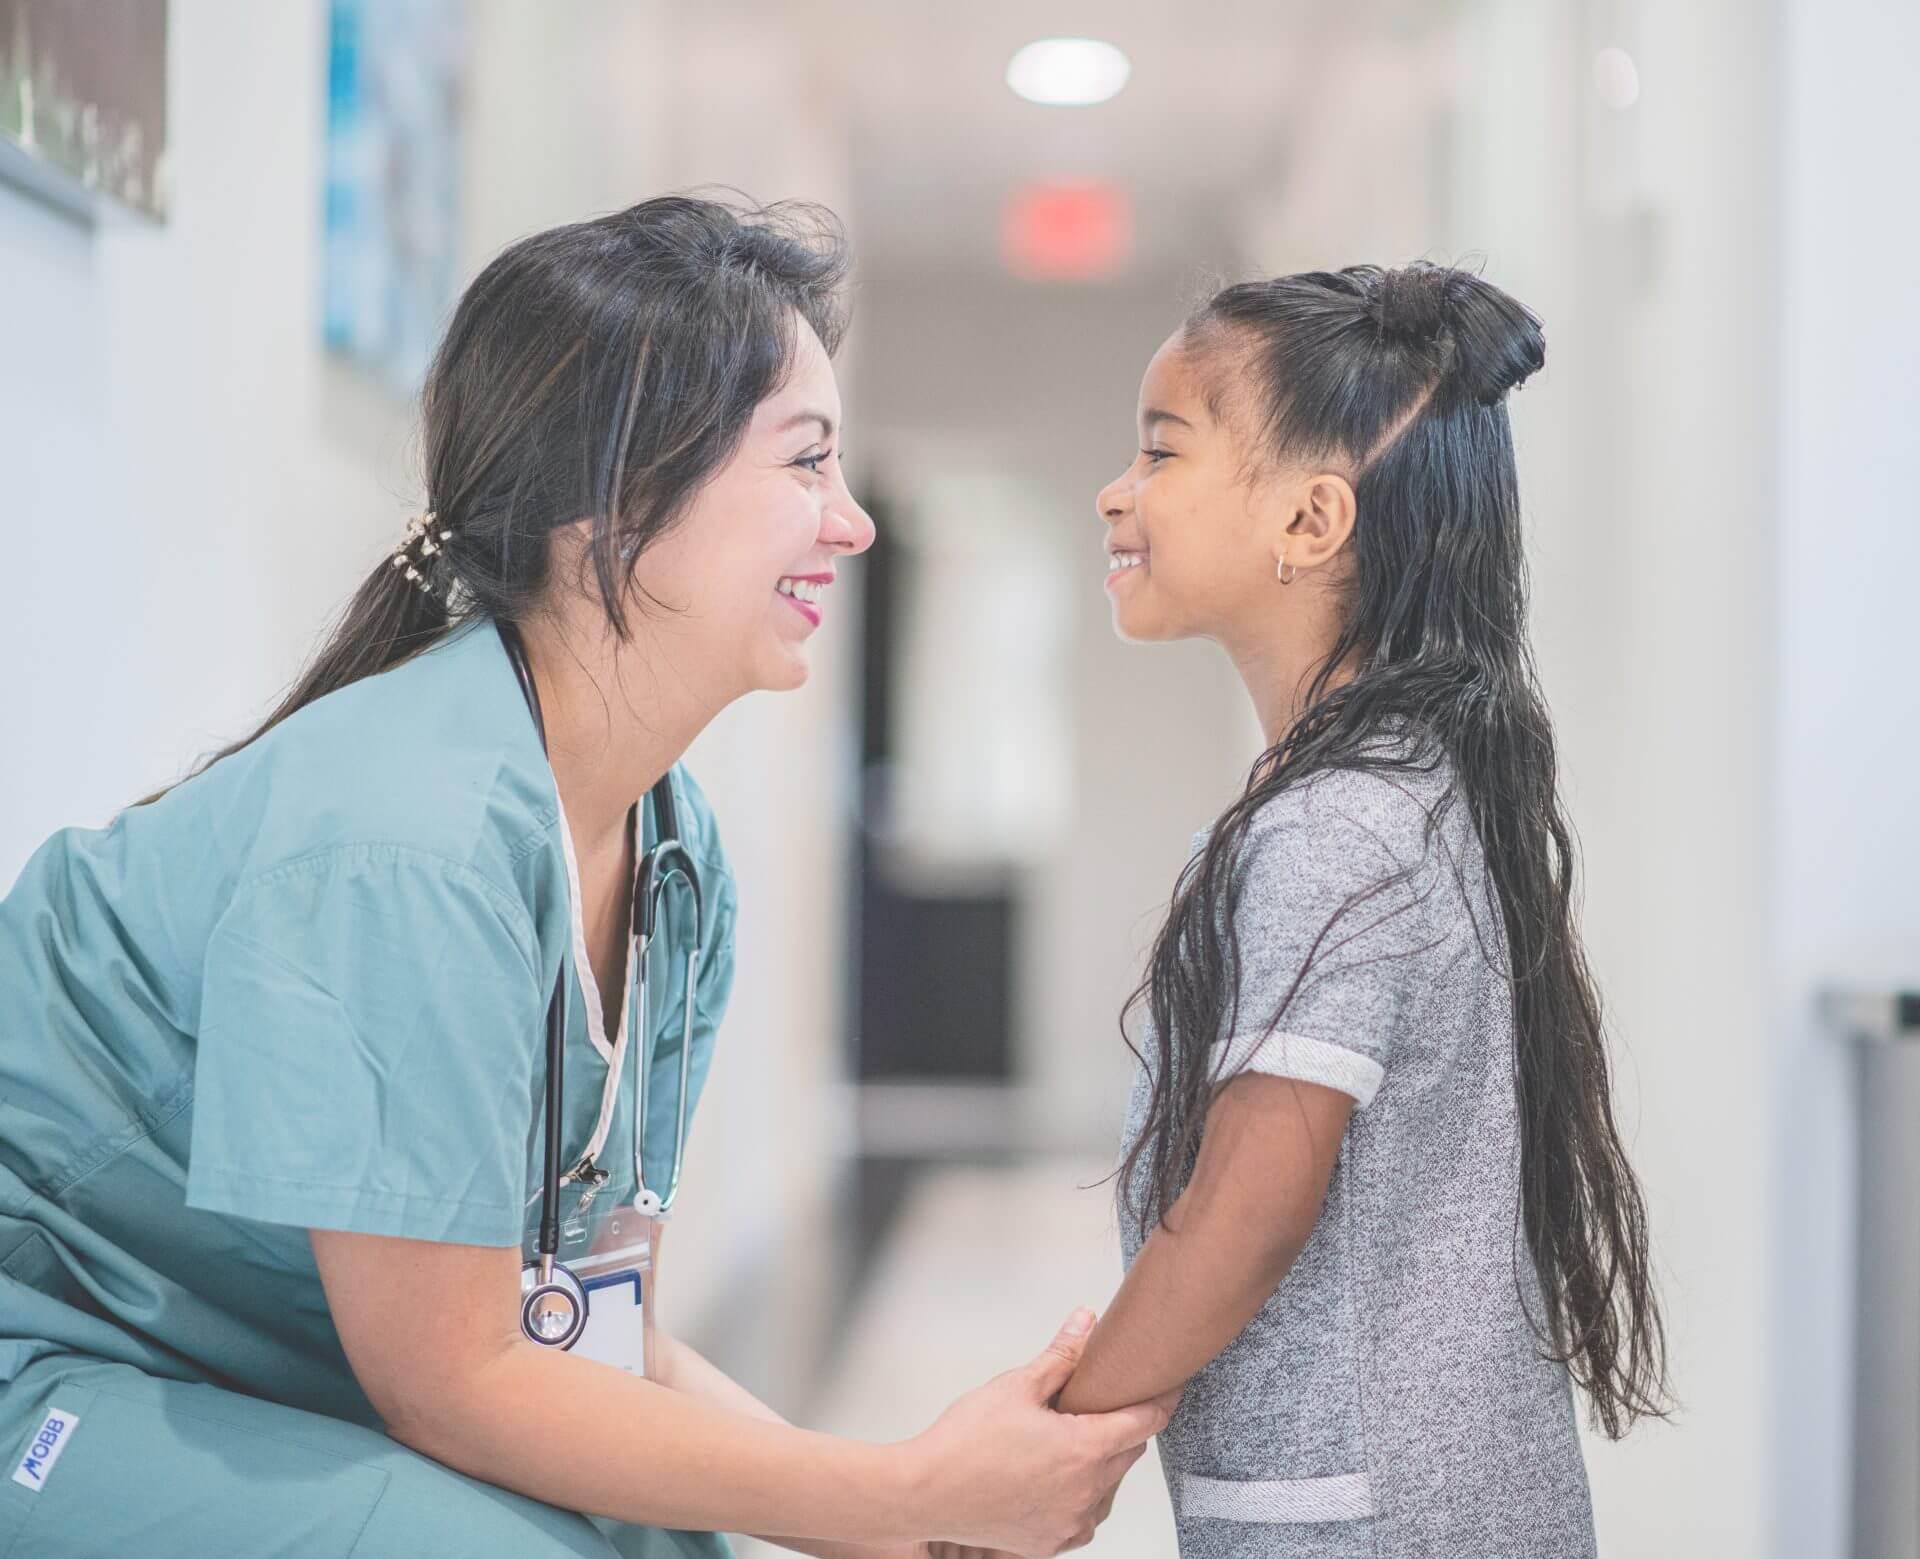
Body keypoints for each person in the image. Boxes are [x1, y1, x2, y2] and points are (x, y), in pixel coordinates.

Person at [0, 195, 1166, 1558]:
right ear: (618, 499)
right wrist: (901, 1499)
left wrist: (897, 1509)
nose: (851, 525)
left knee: (676, 1538)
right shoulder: (410, 843)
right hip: (57, 1356)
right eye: (806, 463)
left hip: (250, 1364)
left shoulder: (673, 862)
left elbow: (592, 1330)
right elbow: (453, 1385)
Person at [1054, 264, 1668, 1557]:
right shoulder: (1405, 788)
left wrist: (1061, 1435)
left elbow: (1250, 1204)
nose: (1117, 491)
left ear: (1314, 519)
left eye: (1161, 452)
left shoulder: (1335, 829)